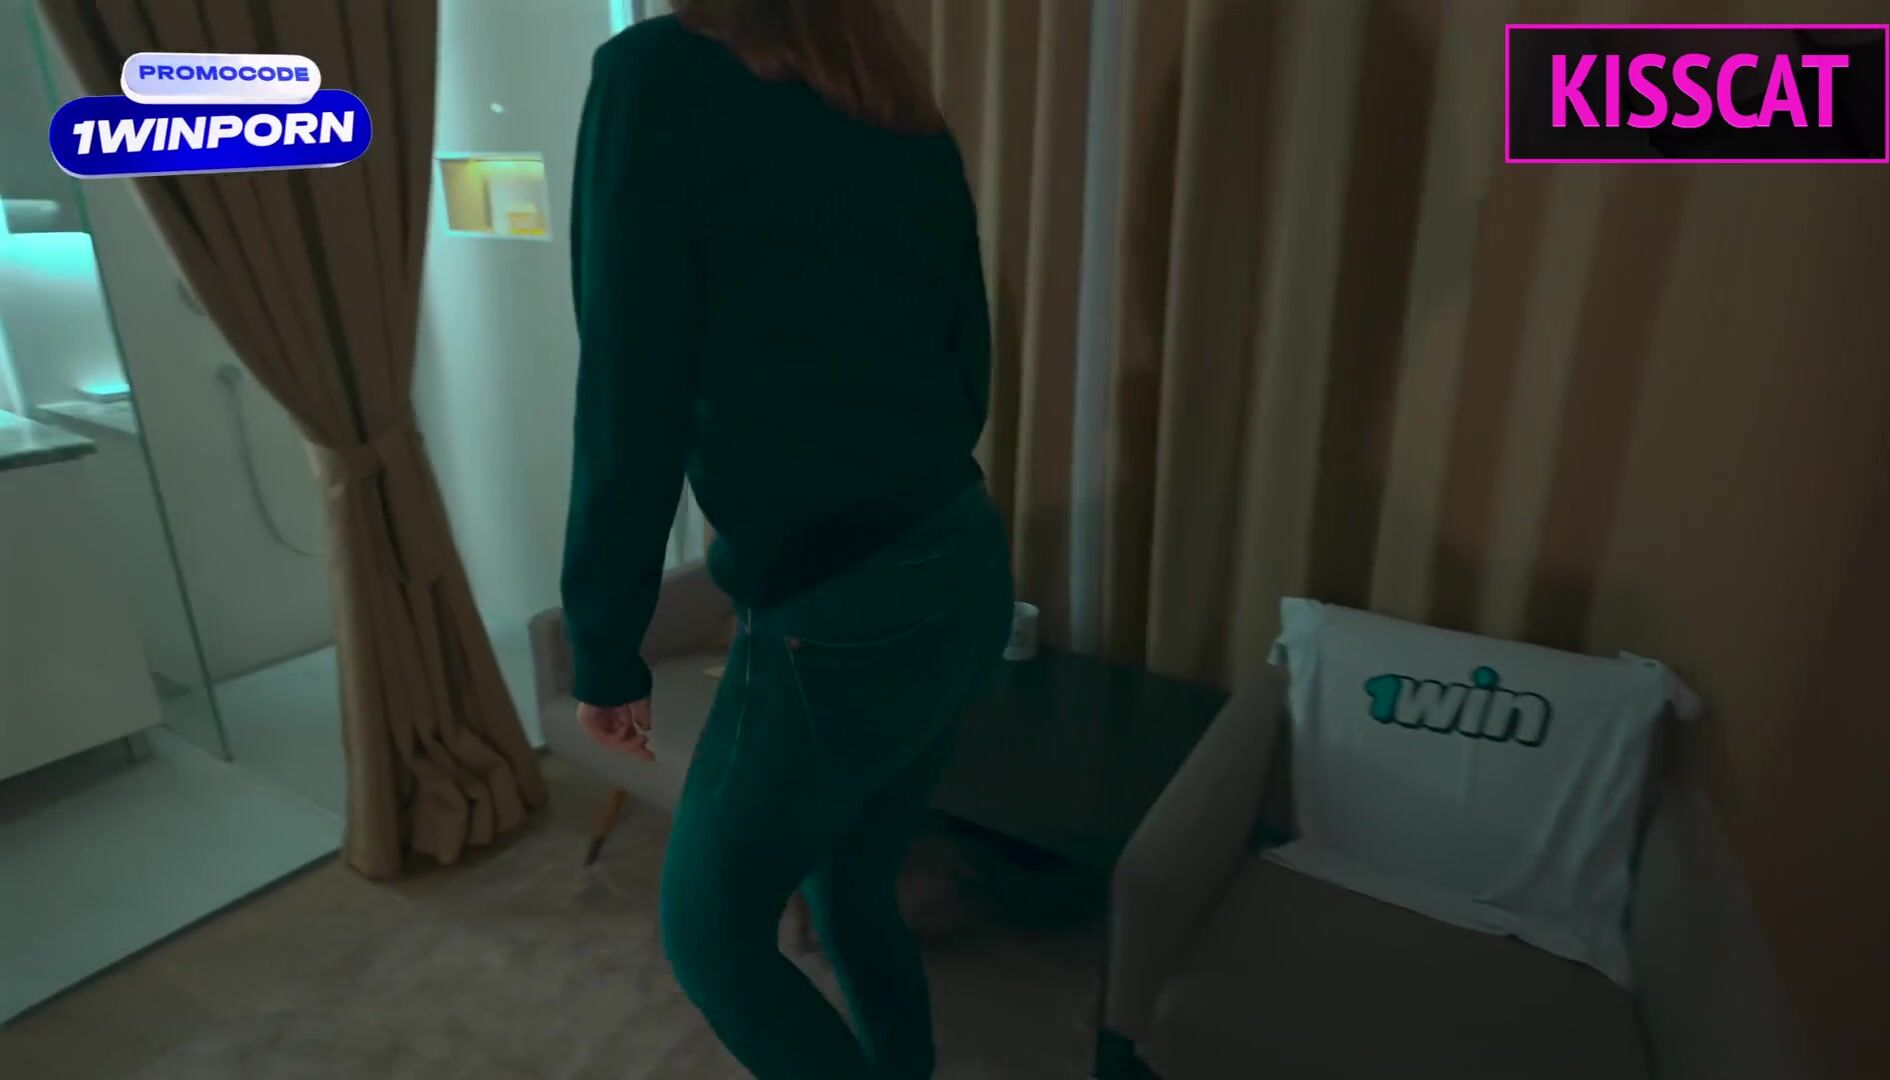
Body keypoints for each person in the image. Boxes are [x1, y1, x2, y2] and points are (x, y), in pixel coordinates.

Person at [560, 1, 1011, 1076]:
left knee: (709, 934)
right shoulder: (891, 96)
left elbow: (627, 394)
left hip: (837, 604)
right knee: (855, 888)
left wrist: (606, 649)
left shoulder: (655, 75)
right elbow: (970, 353)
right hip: (961, 556)